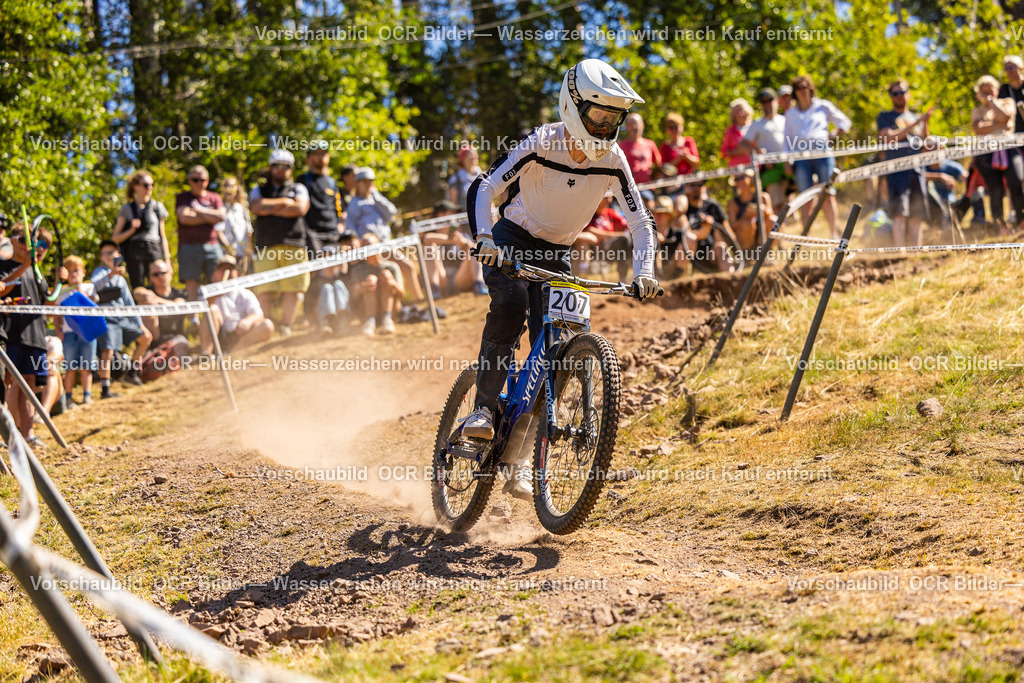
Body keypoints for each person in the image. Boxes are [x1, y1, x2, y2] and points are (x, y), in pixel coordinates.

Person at [463, 59, 659, 500]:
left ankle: (522, 456)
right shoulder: (541, 141)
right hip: (511, 240)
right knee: (511, 306)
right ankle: (483, 410)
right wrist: (483, 238)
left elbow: (640, 221)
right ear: (573, 106)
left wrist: (644, 271)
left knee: (561, 348)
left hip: (558, 253)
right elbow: (483, 186)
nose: (607, 127)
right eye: (599, 117)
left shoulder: (612, 158)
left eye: (614, 119)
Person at [0, 223, 55, 444]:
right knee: (8, 381)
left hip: (35, 333)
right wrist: (25, 265)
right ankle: (8, 434)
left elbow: (49, 303)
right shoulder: (5, 265)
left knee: (29, 383)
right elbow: (4, 286)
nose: (28, 246)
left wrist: (59, 281)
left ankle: (28, 433)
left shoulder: (37, 271)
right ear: (12, 240)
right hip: (10, 332)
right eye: (22, 240)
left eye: (31, 242)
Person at [250, 148, 310, 337]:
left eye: (286, 167)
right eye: (277, 166)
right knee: (265, 290)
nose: (281, 170)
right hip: (266, 245)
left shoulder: (299, 188)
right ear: (270, 167)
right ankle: (267, 326)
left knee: (292, 289)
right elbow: (257, 207)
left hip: (295, 244)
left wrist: (271, 207)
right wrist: (286, 203)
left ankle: (286, 326)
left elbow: (300, 208)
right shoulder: (258, 190)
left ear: (291, 169)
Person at [783, 75, 851, 239]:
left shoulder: (823, 106)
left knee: (827, 194)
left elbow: (845, 123)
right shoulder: (790, 114)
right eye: (799, 88)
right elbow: (787, 139)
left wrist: (833, 134)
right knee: (805, 197)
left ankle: (834, 234)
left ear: (810, 88)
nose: (803, 90)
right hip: (800, 156)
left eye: (806, 86)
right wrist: (786, 160)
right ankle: (806, 237)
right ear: (795, 92)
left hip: (822, 153)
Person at [877, 79, 933, 247]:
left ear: (908, 93)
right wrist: (915, 123)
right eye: (895, 93)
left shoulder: (916, 117)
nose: (899, 96)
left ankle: (915, 252)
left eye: (902, 92)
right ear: (891, 97)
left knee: (917, 214)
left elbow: (925, 145)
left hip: (917, 169)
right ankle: (900, 252)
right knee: (899, 213)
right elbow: (887, 138)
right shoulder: (885, 116)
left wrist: (925, 124)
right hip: (897, 170)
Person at [199, 255, 274, 354]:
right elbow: (203, 310)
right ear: (215, 275)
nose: (227, 272)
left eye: (230, 269)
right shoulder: (208, 293)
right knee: (211, 310)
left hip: (240, 334)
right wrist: (216, 294)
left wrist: (248, 321)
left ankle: (235, 351)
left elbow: (259, 314)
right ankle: (206, 354)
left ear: (237, 274)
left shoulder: (245, 293)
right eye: (223, 269)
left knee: (267, 325)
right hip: (220, 335)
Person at [971, 75, 1016, 233]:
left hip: (1009, 149)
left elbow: (1005, 117)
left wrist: (991, 102)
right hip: (986, 154)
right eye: (984, 92)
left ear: (997, 89)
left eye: (991, 91)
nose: (988, 95)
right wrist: (999, 124)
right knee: (995, 189)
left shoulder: (1007, 102)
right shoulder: (977, 110)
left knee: (1015, 181)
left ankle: (1020, 220)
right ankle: (1000, 224)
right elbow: (978, 129)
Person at [112, 170, 171, 290]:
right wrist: (132, 230)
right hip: (135, 251)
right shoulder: (127, 209)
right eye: (145, 185)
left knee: (159, 285)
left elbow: (163, 236)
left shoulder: (157, 207)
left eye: (151, 185)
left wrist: (167, 260)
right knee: (138, 286)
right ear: (135, 187)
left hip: (155, 249)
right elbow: (115, 238)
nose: (149, 188)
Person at [175, 165, 227, 300]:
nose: (199, 182)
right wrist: (210, 217)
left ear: (207, 180)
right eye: (195, 179)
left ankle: (216, 314)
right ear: (189, 181)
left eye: (202, 179)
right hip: (188, 246)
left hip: (212, 245)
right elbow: (184, 218)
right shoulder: (183, 197)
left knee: (218, 280)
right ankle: (194, 319)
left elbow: (221, 217)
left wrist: (197, 210)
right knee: (191, 282)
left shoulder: (214, 197)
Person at [54, 256, 97, 407]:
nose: (73, 274)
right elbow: (56, 314)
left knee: (87, 366)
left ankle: (87, 395)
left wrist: (80, 291)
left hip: (88, 331)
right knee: (70, 367)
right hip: (69, 332)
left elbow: (94, 305)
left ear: (83, 272)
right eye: (69, 271)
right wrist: (58, 329)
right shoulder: (61, 292)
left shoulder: (89, 287)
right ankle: (69, 398)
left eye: (76, 270)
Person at [738, 88, 788, 212]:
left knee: (794, 194)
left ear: (776, 101)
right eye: (763, 102)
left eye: (769, 100)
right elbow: (742, 145)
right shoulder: (757, 124)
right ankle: (781, 226)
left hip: (789, 163)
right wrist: (757, 151)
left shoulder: (785, 119)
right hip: (770, 167)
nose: (767, 104)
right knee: (776, 200)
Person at [348, 233, 403, 336]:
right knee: (371, 280)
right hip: (365, 310)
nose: (367, 249)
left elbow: (402, 293)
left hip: (392, 309)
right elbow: (354, 296)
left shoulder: (391, 266)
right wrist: (362, 287)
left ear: (378, 245)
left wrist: (392, 284)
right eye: (364, 246)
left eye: (369, 245)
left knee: (385, 275)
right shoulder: (357, 270)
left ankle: (387, 319)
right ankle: (370, 322)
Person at [307, 233, 358, 335]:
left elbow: (352, 295)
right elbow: (310, 304)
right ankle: (325, 324)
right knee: (327, 288)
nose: (328, 262)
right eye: (325, 258)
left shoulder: (343, 276)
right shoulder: (315, 280)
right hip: (321, 316)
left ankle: (343, 321)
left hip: (343, 314)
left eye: (330, 258)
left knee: (338, 285)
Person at [297, 140, 344, 252]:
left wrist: (340, 226)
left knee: (336, 268)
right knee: (317, 267)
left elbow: (338, 208)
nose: (320, 157)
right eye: (316, 154)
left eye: (323, 153)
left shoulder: (332, 182)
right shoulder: (302, 180)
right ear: (308, 159)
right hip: (312, 235)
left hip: (333, 234)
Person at [133, 259, 189, 345]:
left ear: (170, 274)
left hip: (176, 340)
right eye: (156, 274)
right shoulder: (149, 292)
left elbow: (179, 305)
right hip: (153, 342)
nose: (160, 277)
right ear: (151, 278)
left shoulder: (180, 293)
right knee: (146, 304)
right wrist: (145, 295)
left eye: (163, 273)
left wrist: (157, 300)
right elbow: (137, 292)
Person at [682, 180, 735, 272]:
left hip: (711, 252)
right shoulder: (683, 209)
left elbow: (727, 230)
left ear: (705, 187)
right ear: (686, 188)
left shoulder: (713, 206)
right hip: (690, 254)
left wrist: (738, 252)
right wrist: (705, 228)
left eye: (700, 185)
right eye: (693, 185)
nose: (696, 188)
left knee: (721, 248)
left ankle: (732, 281)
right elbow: (685, 235)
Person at [999, 55, 1024, 230]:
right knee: (1015, 179)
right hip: (1013, 143)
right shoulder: (1003, 90)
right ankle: (1020, 217)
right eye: (1006, 67)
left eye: (1012, 66)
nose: (1010, 70)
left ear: (1021, 68)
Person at [727, 168, 776, 252]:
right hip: (744, 240)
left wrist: (763, 211)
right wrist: (745, 217)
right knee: (747, 224)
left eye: (742, 177)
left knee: (773, 220)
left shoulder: (763, 197)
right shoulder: (733, 203)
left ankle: (767, 250)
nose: (740, 181)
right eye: (737, 179)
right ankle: (748, 254)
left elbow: (772, 218)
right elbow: (732, 226)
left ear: (751, 178)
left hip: (762, 235)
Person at [220, 175, 253, 272]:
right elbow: (219, 232)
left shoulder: (242, 208)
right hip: (226, 253)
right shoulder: (220, 208)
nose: (229, 189)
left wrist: (248, 249)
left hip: (242, 252)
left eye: (232, 186)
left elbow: (249, 231)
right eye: (226, 186)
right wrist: (229, 249)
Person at [618, 113, 662, 184]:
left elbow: (659, 164)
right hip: (628, 187)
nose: (635, 127)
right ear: (627, 127)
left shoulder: (650, 144)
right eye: (632, 124)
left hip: (647, 186)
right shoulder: (621, 146)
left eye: (637, 123)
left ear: (642, 125)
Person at [721, 98, 754, 167]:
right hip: (737, 169)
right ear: (733, 115)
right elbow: (724, 153)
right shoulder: (730, 131)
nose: (741, 113)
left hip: (756, 166)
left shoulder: (755, 126)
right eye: (737, 112)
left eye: (742, 110)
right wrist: (738, 152)